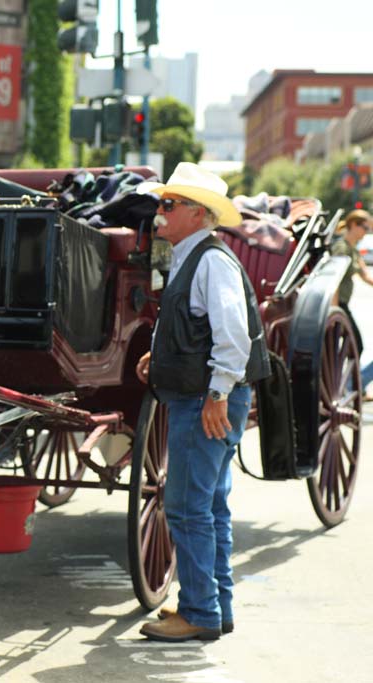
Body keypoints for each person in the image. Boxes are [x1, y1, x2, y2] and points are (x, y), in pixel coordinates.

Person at [134, 162, 270, 642]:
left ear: (196, 213)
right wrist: (163, 352)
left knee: (188, 508)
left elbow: (232, 336)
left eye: (168, 205)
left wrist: (218, 393)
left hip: (205, 402)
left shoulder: (209, 260)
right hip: (202, 397)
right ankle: (214, 606)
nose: (160, 213)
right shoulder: (195, 255)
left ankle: (200, 613)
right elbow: (198, 323)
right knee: (209, 507)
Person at [328, 209, 373, 397]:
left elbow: (365, 275)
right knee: (354, 345)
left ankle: (353, 386)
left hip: (343, 305)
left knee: (354, 346)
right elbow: (333, 280)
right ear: (353, 225)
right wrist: (335, 309)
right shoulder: (341, 248)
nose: (366, 232)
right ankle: (349, 386)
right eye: (364, 227)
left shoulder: (353, 249)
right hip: (338, 305)